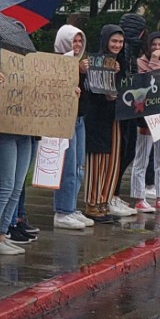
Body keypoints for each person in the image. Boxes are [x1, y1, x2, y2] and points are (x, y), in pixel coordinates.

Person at [81, 24, 132, 218]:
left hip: (116, 118)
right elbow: (90, 89)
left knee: (113, 161)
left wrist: (118, 74)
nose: (117, 45)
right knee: (97, 161)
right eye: (114, 41)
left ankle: (105, 199)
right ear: (105, 41)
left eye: (120, 42)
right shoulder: (94, 62)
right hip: (97, 117)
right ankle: (92, 202)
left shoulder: (122, 62)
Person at [50, 25, 95, 229]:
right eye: (73, 41)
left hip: (79, 119)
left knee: (78, 167)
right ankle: (63, 210)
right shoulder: (56, 63)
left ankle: (71, 206)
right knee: (68, 167)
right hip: (64, 120)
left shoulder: (80, 64)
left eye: (79, 41)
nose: (77, 45)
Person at [130, 32, 160, 212]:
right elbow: (149, 83)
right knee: (141, 159)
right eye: (154, 45)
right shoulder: (140, 64)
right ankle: (139, 197)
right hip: (146, 117)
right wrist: (155, 61)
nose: (157, 48)